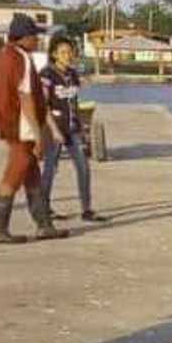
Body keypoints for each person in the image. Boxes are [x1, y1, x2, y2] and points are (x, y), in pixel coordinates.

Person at [0, 13, 69, 243]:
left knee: (32, 174)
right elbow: (26, 98)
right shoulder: (20, 58)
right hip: (22, 125)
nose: (38, 40)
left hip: (8, 122)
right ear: (24, 37)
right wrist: (39, 134)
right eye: (35, 36)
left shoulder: (0, 57)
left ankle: (44, 225)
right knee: (15, 173)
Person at [39, 35, 106, 222]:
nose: (68, 56)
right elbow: (43, 105)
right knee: (50, 169)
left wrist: (82, 127)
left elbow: (75, 100)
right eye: (63, 52)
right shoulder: (46, 75)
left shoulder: (72, 75)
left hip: (73, 128)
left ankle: (87, 209)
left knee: (83, 166)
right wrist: (53, 130)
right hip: (54, 128)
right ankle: (44, 208)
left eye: (70, 52)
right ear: (54, 54)